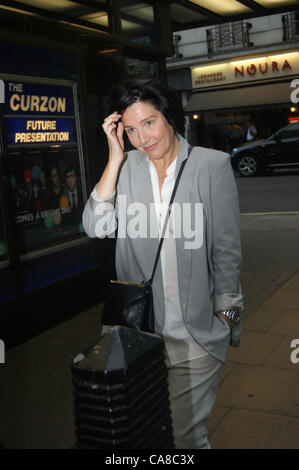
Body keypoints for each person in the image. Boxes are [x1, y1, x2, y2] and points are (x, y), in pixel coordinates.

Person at [82, 78, 243, 449]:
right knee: (148, 433)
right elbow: (95, 226)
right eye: (132, 129)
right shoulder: (125, 168)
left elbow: (227, 251)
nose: (143, 138)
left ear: (170, 116)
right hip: (138, 336)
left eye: (149, 123)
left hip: (195, 337)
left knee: (186, 438)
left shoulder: (211, 166)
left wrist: (227, 321)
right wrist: (115, 157)